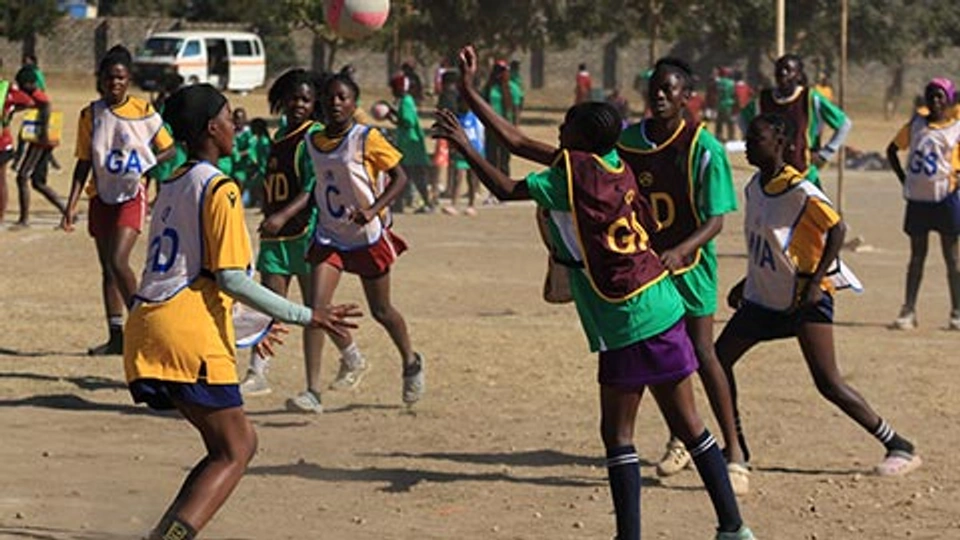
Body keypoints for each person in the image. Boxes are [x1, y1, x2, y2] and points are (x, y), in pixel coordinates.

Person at [440, 44, 755, 540]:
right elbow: (523, 142)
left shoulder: (571, 179)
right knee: (692, 428)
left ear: (581, 142)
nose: (560, 136)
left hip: (627, 318)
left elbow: (505, 182)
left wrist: (464, 144)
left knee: (618, 435)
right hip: (662, 302)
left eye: (566, 130)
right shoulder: (613, 161)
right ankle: (733, 528)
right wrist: (471, 92)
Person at [124, 83, 360, 540]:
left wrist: (251, 326)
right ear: (212, 128)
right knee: (238, 447)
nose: (237, 124)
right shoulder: (220, 188)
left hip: (149, 324)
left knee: (225, 447)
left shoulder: (172, 184)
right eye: (230, 118)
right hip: (183, 334)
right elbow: (230, 278)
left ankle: (164, 533)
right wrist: (307, 314)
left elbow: (189, 272)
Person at [716, 112, 922, 480]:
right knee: (717, 359)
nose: (748, 145)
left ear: (779, 143)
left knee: (828, 382)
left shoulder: (801, 190)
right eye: (747, 139)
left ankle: (899, 444)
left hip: (803, 299)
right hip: (764, 298)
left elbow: (838, 228)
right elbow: (773, 245)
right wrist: (747, 280)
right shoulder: (753, 187)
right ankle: (735, 447)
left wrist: (814, 283)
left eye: (756, 139)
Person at [617, 58, 746, 494]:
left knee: (704, 353)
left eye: (669, 89)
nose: (659, 95)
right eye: (654, 87)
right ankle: (683, 438)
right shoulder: (627, 142)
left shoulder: (702, 147)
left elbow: (715, 220)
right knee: (665, 358)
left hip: (690, 264)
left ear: (686, 96)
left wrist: (680, 249)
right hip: (648, 267)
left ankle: (735, 452)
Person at [295, 72, 425, 411]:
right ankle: (312, 391)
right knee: (316, 310)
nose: (336, 103)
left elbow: (400, 177)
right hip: (330, 235)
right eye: (331, 98)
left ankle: (410, 361)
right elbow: (320, 188)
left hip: (366, 236)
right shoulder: (312, 142)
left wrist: (374, 209)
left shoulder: (366, 138)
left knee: (381, 310)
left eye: (343, 98)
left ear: (354, 104)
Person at [239, 69, 368, 400]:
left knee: (315, 309)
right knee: (268, 305)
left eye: (306, 100)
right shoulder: (280, 135)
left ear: (315, 105)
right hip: (274, 236)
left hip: (304, 233)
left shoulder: (313, 137)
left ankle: (352, 358)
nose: (299, 104)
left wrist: (283, 214)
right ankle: (257, 373)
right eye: (294, 98)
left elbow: (313, 188)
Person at [61, 46, 175, 355]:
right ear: (101, 80)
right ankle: (116, 336)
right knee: (106, 268)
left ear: (129, 80)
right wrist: (71, 205)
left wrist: (144, 163)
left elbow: (170, 148)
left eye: (121, 78)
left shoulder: (143, 112)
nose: (115, 83)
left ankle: (144, 328)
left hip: (130, 195)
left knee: (118, 260)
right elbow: (84, 161)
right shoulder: (90, 114)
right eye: (110, 78)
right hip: (101, 197)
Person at [886, 78, 960, 330]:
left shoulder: (956, 129)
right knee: (917, 257)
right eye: (931, 96)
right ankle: (908, 310)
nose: (935, 101)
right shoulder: (916, 124)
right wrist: (904, 180)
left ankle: (957, 311)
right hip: (918, 201)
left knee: (952, 258)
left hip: (945, 199)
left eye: (940, 96)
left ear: (949, 100)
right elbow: (892, 150)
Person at [739, 54, 851, 189]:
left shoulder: (810, 98)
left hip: (803, 174)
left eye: (788, 70)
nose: (783, 73)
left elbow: (844, 124)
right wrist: (755, 140)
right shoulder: (764, 100)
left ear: (798, 75)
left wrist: (826, 153)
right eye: (779, 69)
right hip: (772, 176)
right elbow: (742, 118)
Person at [12, 65, 66, 227]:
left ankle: (24, 219)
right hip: (40, 142)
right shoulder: (34, 96)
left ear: (28, 84)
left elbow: (45, 108)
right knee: (38, 182)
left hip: (39, 143)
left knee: (22, 177)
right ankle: (67, 210)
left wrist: (43, 133)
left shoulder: (38, 96)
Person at [385, 72, 434, 213]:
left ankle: (426, 203)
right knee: (408, 174)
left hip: (410, 145)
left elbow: (408, 121)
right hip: (411, 145)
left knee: (410, 174)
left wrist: (392, 118)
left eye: (394, 88)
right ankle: (401, 203)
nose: (392, 91)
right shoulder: (407, 100)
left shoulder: (406, 101)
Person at [0, 68, 40, 225]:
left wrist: (11, 110)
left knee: (0, 179)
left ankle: (1, 215)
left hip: (1, 142)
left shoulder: (6, 89)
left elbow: (28, 101)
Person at [442, 93, 484, 216]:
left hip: (473, 151)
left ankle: (471, 204)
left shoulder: (475, 118)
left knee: (471, 179)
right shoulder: (457, 118)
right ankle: (453, 203)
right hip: (460, 153)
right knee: (457, 178)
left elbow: (479, 134)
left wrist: (479, 150)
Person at [714, 67, 736, 142]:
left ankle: (718, 136)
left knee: (719, 122)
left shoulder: (718, 83)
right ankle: (731, 137)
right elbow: (733, 94)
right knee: (730, 122)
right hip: (729, 104)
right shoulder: (731, 83)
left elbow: (715, 93)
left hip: (720, 104)